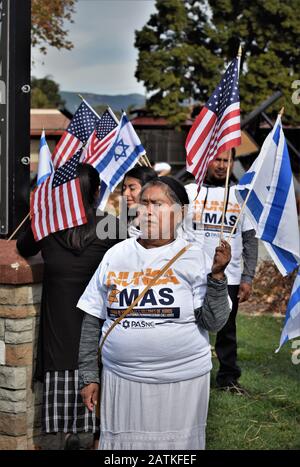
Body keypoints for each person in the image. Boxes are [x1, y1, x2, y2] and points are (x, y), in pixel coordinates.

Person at [77, 176, 231, 450]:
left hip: (182, 383)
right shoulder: (116, 254)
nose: (147, 210)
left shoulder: (194, 257)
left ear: (180, 213)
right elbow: (92, 318)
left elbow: (214, 322)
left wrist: (217, 277)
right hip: (121, 381)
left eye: (158, 204)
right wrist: (89, 375)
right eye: (144, 203)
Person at [16, 164, 123, 450]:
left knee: (54, 436)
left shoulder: (47, 225)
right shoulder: (112, 225)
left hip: (57, 339)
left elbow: (24, 249)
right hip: (99, 335)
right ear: (97, 192)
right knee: (95, 430)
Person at [185, 149, 258, 394]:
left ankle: (227, 378)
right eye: (217, 159)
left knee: (227, 329)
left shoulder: (240, 195)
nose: (221, 165)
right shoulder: (189, 192)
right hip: (192, 274)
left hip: (231, 275)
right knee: (190, 325)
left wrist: (248, 277)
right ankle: (189, 373)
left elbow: (250, 239)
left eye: (227, 160)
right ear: (207, 160)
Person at [121, 166, 157, 237]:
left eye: (132, 188)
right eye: (124, 188)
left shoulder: (165, 221)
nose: (125, 193)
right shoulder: (122, 219)